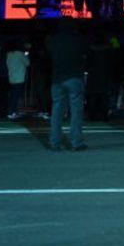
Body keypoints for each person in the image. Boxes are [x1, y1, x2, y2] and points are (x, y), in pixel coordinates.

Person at [46, 18, 90, 151]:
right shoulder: (78, 40)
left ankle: (55, 142)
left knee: (57, 110)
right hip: (74, 77)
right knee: (76, 111)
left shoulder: (52, 40)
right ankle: (76, 142)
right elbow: (86, 53)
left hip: (57, 78)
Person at [5, 39, 29, 119]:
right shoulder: (20, 54)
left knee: (13, 95)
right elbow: (28, 63)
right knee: (16, 95)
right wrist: (26, 54)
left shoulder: (8, 54)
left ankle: (12, 111)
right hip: (20, 77)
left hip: (12, 77)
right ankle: (12, 112)